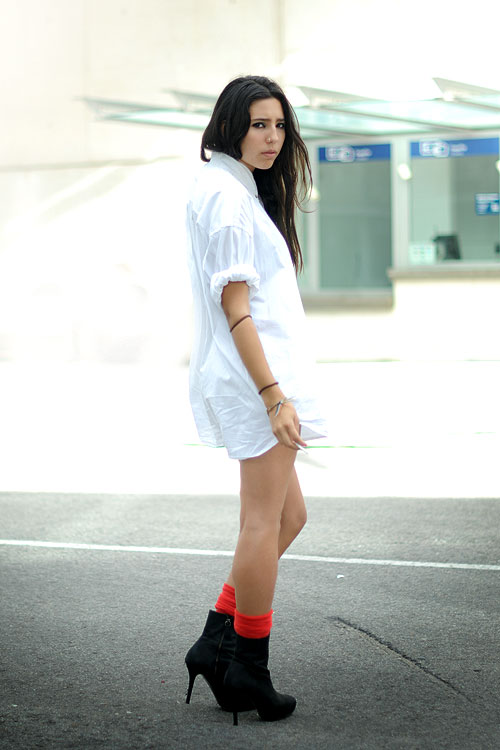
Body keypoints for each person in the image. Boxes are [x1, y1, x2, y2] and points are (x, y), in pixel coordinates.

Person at [184, 75, 327, 726]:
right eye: (259, 125)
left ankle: (217, 638)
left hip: (262, 376)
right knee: (262, 523)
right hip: (256, 379)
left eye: (279, 126)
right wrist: (273, 396)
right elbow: (235, 307)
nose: (272, 138)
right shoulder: (226, 198)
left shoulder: (234, 189)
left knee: (289, 517)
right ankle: (248, 664)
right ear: (230, 125)